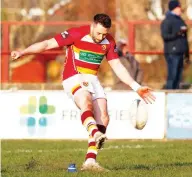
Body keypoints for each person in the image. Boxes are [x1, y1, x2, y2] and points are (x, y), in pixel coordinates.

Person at [11, 13, 155, 171]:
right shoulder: (75, 34)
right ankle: (95, 133)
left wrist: (136, 87)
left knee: (104, 118)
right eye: (98, 33)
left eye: (104, 34)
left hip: (92, 79)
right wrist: (23, 52)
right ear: (93, 25)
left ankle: (90, 162)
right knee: (85, 102)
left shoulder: (109, 41)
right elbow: (46, 44)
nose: (101, 37)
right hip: (73, 77)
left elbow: (118, 67)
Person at [161, 0, 190, 89]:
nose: (180, 9)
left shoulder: (180, 20)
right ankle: (169, 95)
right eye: (178, 7)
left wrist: (186, 53)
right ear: (173, 8)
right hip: (172, 52)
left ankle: (176, 98)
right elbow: (165, 36)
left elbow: (184, 38)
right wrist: (177, 34)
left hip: (180, 51)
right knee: (172, 76)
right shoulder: (167, 21)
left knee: (178, 77)